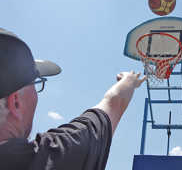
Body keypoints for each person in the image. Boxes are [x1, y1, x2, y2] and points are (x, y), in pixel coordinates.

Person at [0, 28, 146, 170]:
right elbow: (113, 103)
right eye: (37, 83)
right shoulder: (52, 157)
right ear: (16, 102)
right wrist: (129, 81)